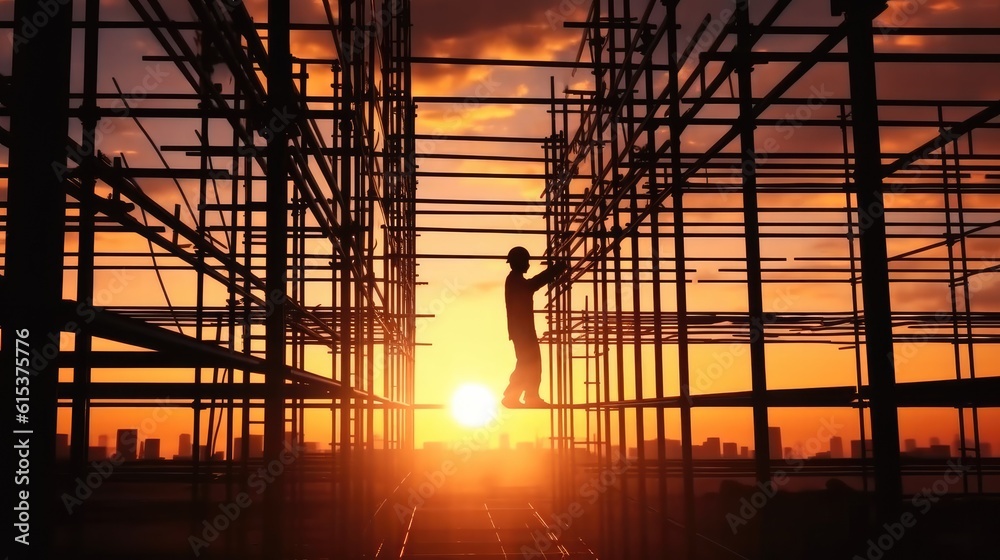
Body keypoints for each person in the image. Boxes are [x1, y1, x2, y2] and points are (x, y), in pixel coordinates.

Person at [501, 246, 567, 408]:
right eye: (527, 261)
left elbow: (531, 285)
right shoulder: (515, 280)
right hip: (522, 331)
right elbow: (533, 285)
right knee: (529, 363)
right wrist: (556, 269)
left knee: (529, 363)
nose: (528, 264)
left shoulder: (515, 279)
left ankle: (523, 395)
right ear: (519, 262)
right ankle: (518, 395)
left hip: (522, 331)